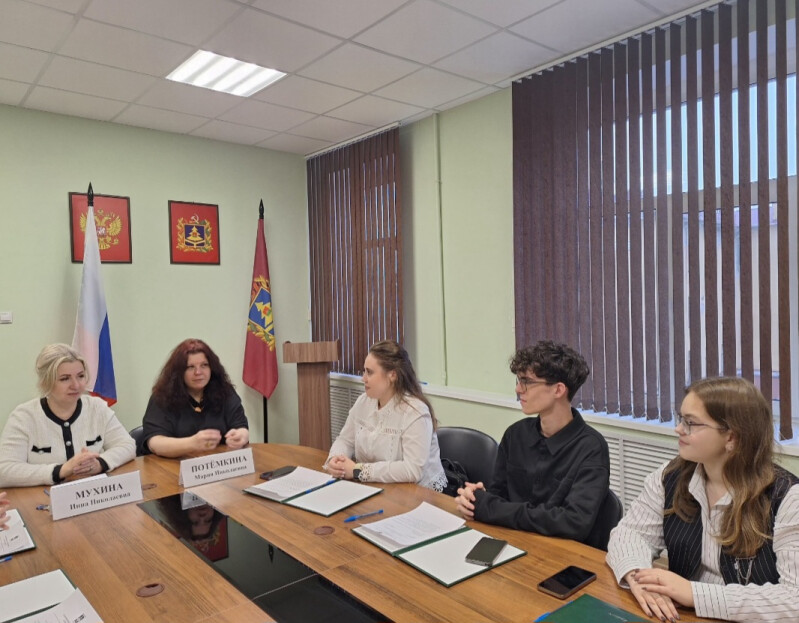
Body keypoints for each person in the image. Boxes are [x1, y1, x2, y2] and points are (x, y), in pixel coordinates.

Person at [606, 377, 799, 623]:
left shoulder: (787, 498)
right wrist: (640, 578)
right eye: (681, 419)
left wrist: (695, 594)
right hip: (680, 615)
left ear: (732, 438)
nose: (678, 429)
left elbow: (794, 598)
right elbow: (630, 534)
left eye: (690, 423)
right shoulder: (671, 476)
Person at [455, 340, 610, 545]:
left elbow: (574, 522)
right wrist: (475, 500)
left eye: (527, 381)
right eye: (518, 380)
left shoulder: (591, 448)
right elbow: (498, 495)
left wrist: (492, 508)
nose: (518, 389)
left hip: (562, 550)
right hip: (512, 540)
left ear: (558, 390)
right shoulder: (515, 434)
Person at [0, 344, 136, 488]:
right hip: (42, 497)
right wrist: (60, 470)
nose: (76, 385)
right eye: (65, 379)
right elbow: (4, 470)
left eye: (81, 376)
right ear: (46, 382)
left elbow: (127, 446)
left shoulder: (97, 407)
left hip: (91, 493)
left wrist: (100, 463)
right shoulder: (24, 416)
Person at [324, 340, 447, 491]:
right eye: (364, 371)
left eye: (369, 372)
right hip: (378, 488)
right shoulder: (363, 401)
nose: (363, 378)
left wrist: (358, 470)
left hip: (419, 494)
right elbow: (345, 440)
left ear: (392, 375)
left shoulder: (415, 411)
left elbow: (413, 470)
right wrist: (336, 459)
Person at [141, 339, 249, 457]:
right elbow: (155, 442)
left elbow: (241, 427)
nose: (198, 372)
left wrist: (241, 436)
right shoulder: (162, 396)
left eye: (204, 365)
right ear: (179, 372)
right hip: (172, 465)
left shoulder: (225, 391)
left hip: (219, 463)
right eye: (190, 367)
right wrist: (192, 443)